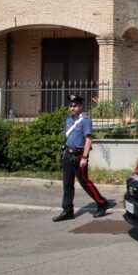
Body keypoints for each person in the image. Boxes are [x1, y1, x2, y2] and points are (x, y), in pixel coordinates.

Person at [52, 94, 112, 222]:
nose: (72, 108)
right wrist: (64, 150)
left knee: (84, 182)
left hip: (79, 156)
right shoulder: (69, 120)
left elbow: (88, 140)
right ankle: (67, 210)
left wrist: (84, 157)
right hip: (68, 154)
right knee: (67, 184)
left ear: (80, 106)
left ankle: (102, 203)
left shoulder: (85, 120)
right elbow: (67, 137)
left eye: (75, 105)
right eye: (70, 105)